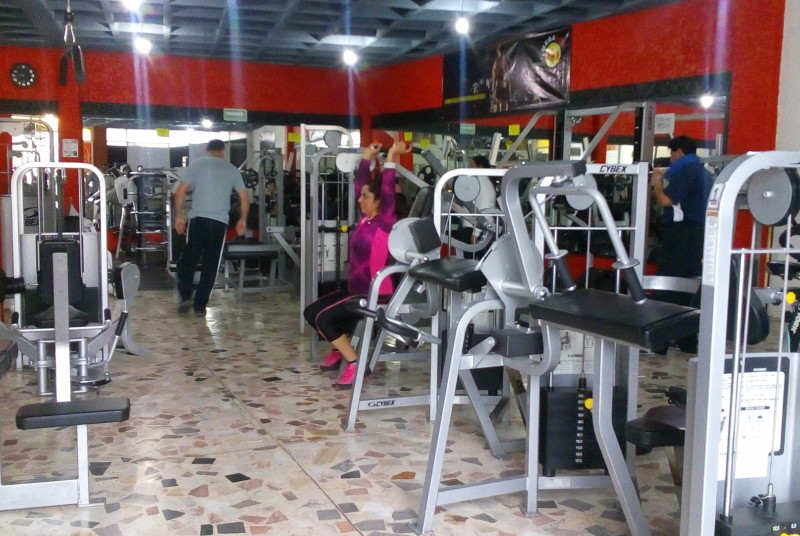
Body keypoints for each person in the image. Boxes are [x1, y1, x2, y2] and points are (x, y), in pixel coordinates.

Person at [303, 140, 411, 389]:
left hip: (375, 293)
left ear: (379, 201)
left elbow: (386, 190)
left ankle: (356, 364)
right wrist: (365, 158)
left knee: (323, 318)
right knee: (311, 312)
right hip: (355, 289)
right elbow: (360, 185)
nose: (360, 199)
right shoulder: (366, 219)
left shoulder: (385, 222)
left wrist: (391, 157)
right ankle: (340, 350)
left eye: (366, 197)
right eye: (361, 196)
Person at [649, 134, 713, 353]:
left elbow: (666, 200)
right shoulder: (705, 173)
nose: (671, 159)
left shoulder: (686, 171)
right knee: (687, 287)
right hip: (697, 235)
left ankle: (658, 342)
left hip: (681, 234)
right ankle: (687, 342)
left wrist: (657, 181)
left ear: (679, 152)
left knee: (667, 286)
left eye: (672, 154)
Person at [174, 139, 250, 317]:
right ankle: (200, 306)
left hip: (198, 220)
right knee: (211, 264)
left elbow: (180, 192)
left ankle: (185, 297)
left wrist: (179, 217)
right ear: (223, 151)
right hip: (218, 222)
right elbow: (244, 198)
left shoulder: (195, 165)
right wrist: (242, 221)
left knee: (188, 261)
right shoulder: (232, 169)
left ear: (206, 150)